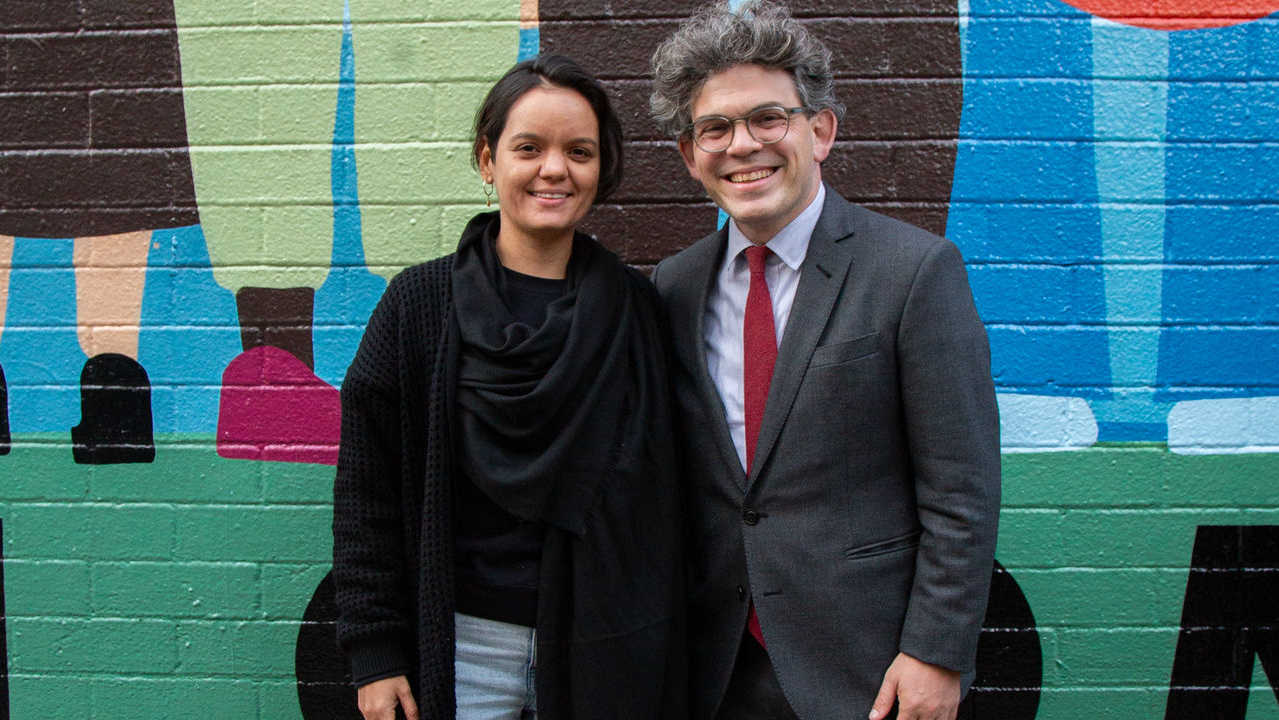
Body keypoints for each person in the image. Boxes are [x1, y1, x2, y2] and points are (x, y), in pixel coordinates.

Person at [648, 3, 1001, 720]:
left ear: (821, 131)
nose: (742, 145)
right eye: (715, 128)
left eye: (768, 118)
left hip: (867, 671)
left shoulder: (914, 271)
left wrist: (936, 652)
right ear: (691, 155)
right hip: (712, 669)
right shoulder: (673, 287)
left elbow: (961, 488)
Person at [332, 54, 685, 720]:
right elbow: (365, 492)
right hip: (460, 650)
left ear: (601, 168)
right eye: (529, 148)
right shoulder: (418, 305)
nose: (555, 169)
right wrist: (376, 652)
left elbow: (670, 497)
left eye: (579, 151)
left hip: (603, 646)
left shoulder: (637, 311)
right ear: (487, 160)